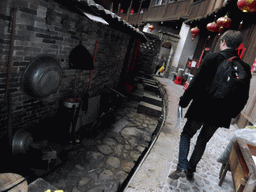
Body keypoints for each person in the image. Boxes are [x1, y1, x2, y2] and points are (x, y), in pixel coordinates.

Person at [168, 30, 252, 181]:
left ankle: (181, 166)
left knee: (186, 134)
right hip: (221, 114)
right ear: (238, 46)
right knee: (202, 141)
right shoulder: (244, 68)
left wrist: (184, 101)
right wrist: (231, 114)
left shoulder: (212, 58)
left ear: (223, 42)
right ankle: (190, 170)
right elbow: (243, 97)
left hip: (201, 107)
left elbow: (196, 84)